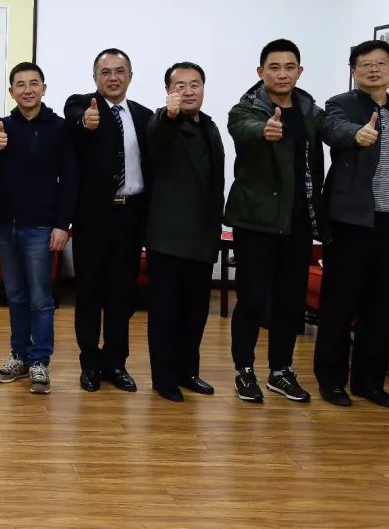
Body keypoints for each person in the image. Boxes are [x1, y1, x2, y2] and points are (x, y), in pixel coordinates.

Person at [315, 39, 389, 408]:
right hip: (351, 221)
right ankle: (331, 381)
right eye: (365, 64)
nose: (373, 69)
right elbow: (332, 129)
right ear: (354, 71)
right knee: (339, 303)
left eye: (380, 63)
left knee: (380, 307)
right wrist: (355, 135)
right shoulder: (340, 105)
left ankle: (369, 382)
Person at [225, 39, 326, 404]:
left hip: (298, 222)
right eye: (274, 67)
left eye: (289, 67)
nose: (282, 74)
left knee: (290, 303)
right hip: (256, 221)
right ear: (261, 71)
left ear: (299, 71)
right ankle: (244, 370)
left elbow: (334, 131)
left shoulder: (310, 110)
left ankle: (280, 371)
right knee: (252, 301)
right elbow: (244, 128)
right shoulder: (246, 108)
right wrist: (264, 130)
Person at [63, 48, 151, 394]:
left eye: (119, 71)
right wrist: (85, 121)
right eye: (105, 72)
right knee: (89, 292)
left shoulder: (144, 116)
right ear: (95, 78)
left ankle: (116, 362)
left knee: (122, 294)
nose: (113, 77)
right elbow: (75, 118)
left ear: (130, 76)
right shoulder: (82, 106)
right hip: (93, 218)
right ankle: (89, 363)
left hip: (131, 215)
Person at [0, 62, 75, 395]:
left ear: (44, 88)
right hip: (7, 225)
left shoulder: (59, 127)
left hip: (42, 226)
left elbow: (70, 179)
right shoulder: (3, 126)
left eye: (34, 83)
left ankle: (40, 360)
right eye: (20, 84)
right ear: (11, 91)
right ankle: (19, 356)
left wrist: (62, 225)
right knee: (15, 295)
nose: (28, 90)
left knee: (41, 298)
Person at [145, 62, 225, 402]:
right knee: (165, 311)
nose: (189, 91)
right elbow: (157, 136)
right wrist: (169, 114)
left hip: (202, 236)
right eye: (180, 85)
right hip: (168, 237)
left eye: (195, 84)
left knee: (195, 311)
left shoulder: (209, 125)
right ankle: (164, 378)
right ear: (169, 91)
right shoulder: (162, 122)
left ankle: (187, 371)